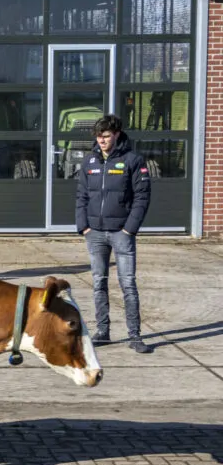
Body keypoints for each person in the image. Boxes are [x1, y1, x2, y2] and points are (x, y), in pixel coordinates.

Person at [76, 114, 152, 354]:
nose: (102, 141)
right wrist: (83, 226)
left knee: (128, 283)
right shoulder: (89, 162)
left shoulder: (133, 160)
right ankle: (103, 332)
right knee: (99, 283)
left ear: (117, 134)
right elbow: (81, 195)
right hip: (95, 233)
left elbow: (142, 197)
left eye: (106, 136)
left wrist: (130, 228)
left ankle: (135, 336)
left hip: (122, 233)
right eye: (99, 136)